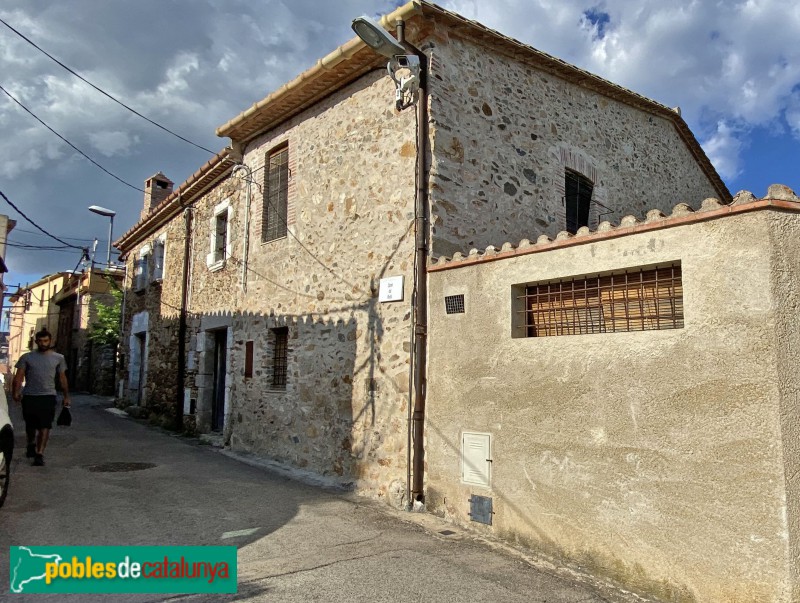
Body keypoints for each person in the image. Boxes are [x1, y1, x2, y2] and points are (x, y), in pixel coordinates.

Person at [11, 329, 70, 466]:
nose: (43, 343)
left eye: (46, 341)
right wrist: (16, 391)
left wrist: (66, 396)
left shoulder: (58, 358)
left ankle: (39, 453)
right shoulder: (27, 357)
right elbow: (18, 376)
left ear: (50, 341)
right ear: (36, 342)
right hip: (30, 396)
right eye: (41, 341)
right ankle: (31, 443)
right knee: (30, 425)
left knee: (45, 425)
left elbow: (62, 378)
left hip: (48, 396)